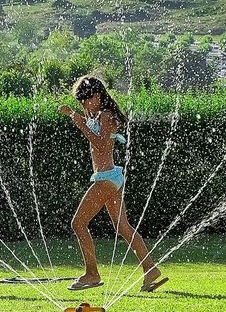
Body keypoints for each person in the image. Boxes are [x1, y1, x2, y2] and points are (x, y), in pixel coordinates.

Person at [58, 75, 168, 293]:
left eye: (85, 100)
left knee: (78, 224)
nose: (83, 104)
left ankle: (92, 274)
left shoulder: (107, 115)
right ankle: (150, 268)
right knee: (123, 227)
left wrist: (79, 123)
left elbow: (101, 147)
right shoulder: (101, 114)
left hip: (106, 179)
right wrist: (75, 115)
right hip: (111, 178)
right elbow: (96, 134)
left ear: (97, 96)